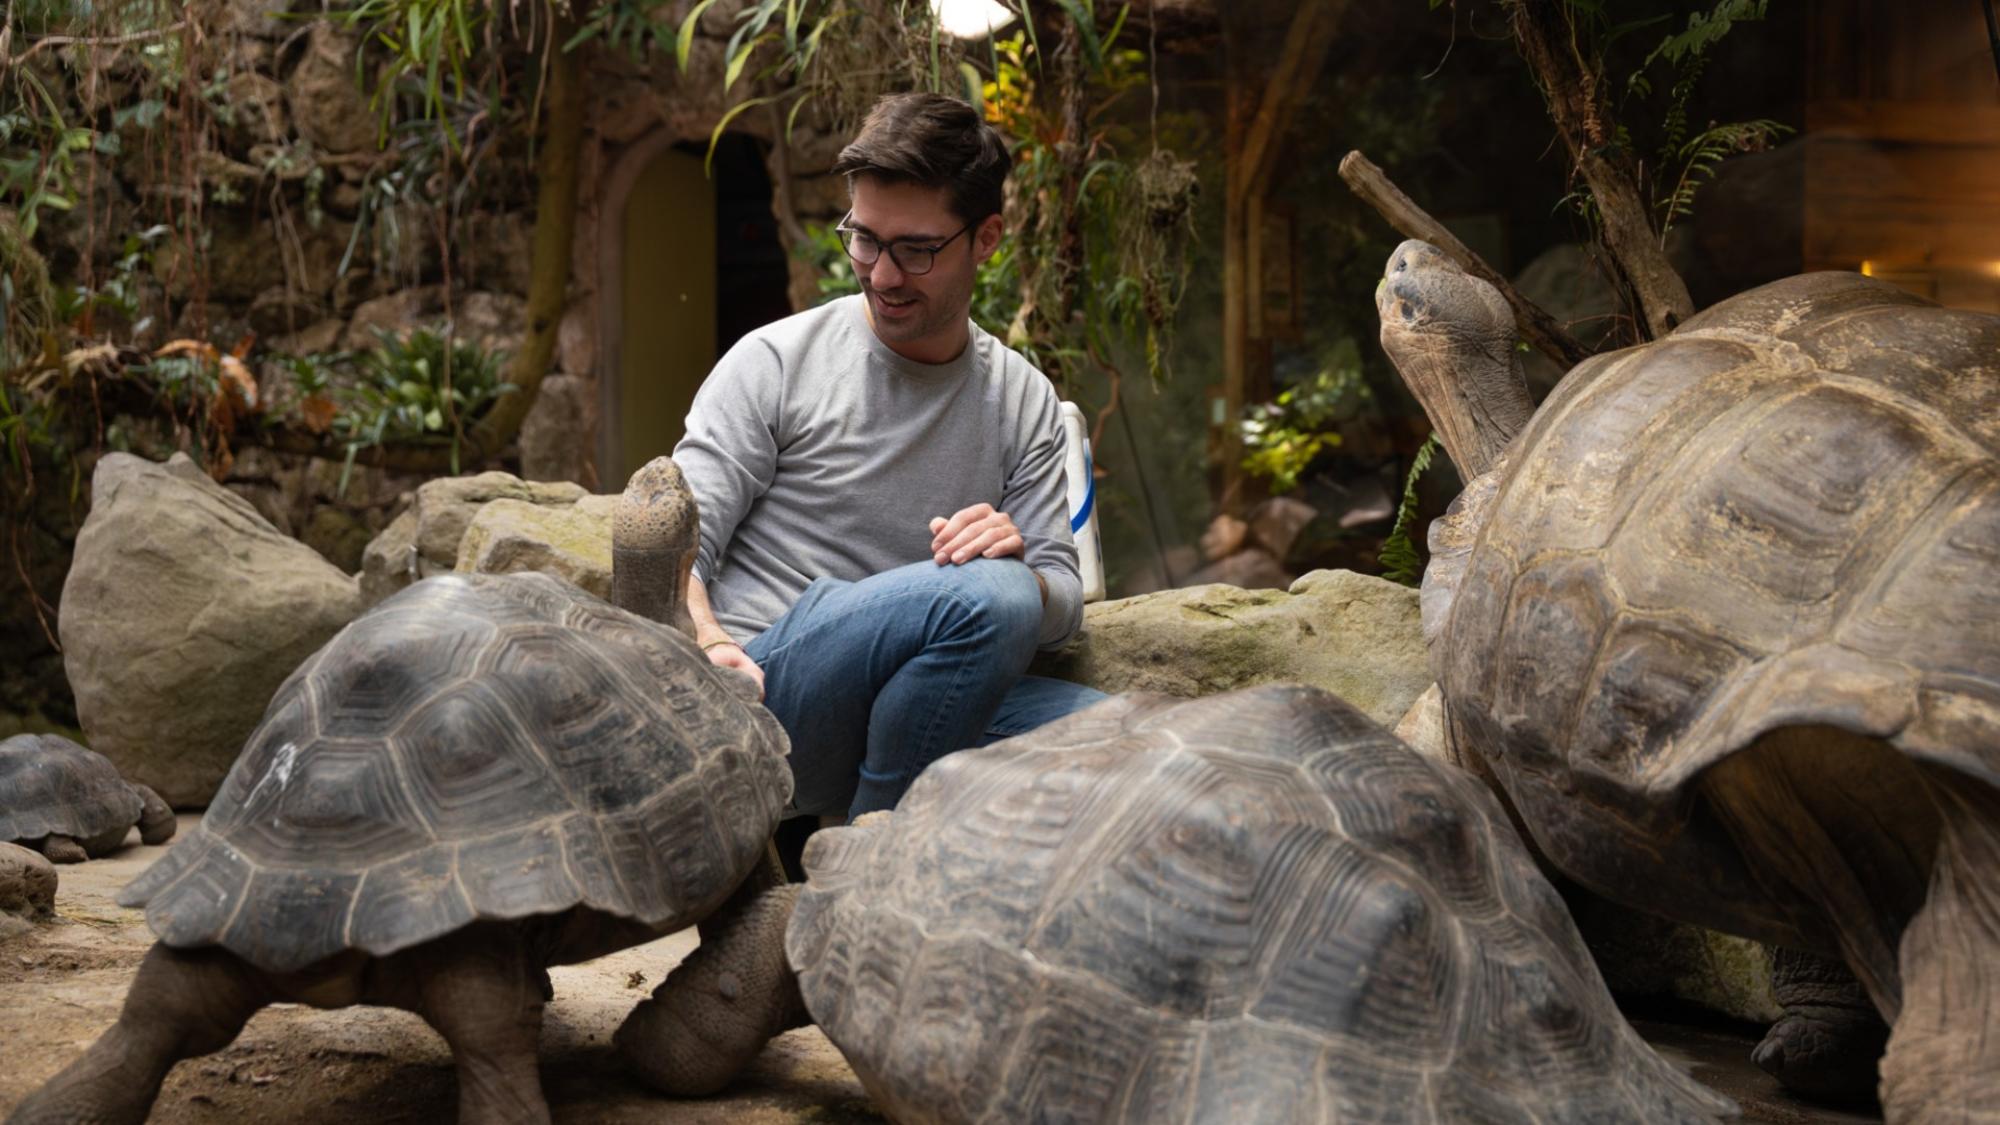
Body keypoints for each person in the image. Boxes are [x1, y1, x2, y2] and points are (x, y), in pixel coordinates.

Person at [673, 92, 1107, 822]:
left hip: (925, 703)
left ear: (987, 237)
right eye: (864, 239)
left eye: (915, 249)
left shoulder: (1023, 398)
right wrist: (709, 643)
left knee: (1127, 737)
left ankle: (858, 840)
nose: (879, 274)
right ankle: (861, 877)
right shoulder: (776, 361)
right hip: (772, 691)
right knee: (989, 595)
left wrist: (1027, 569)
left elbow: (1063, 603)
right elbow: (673, 547)